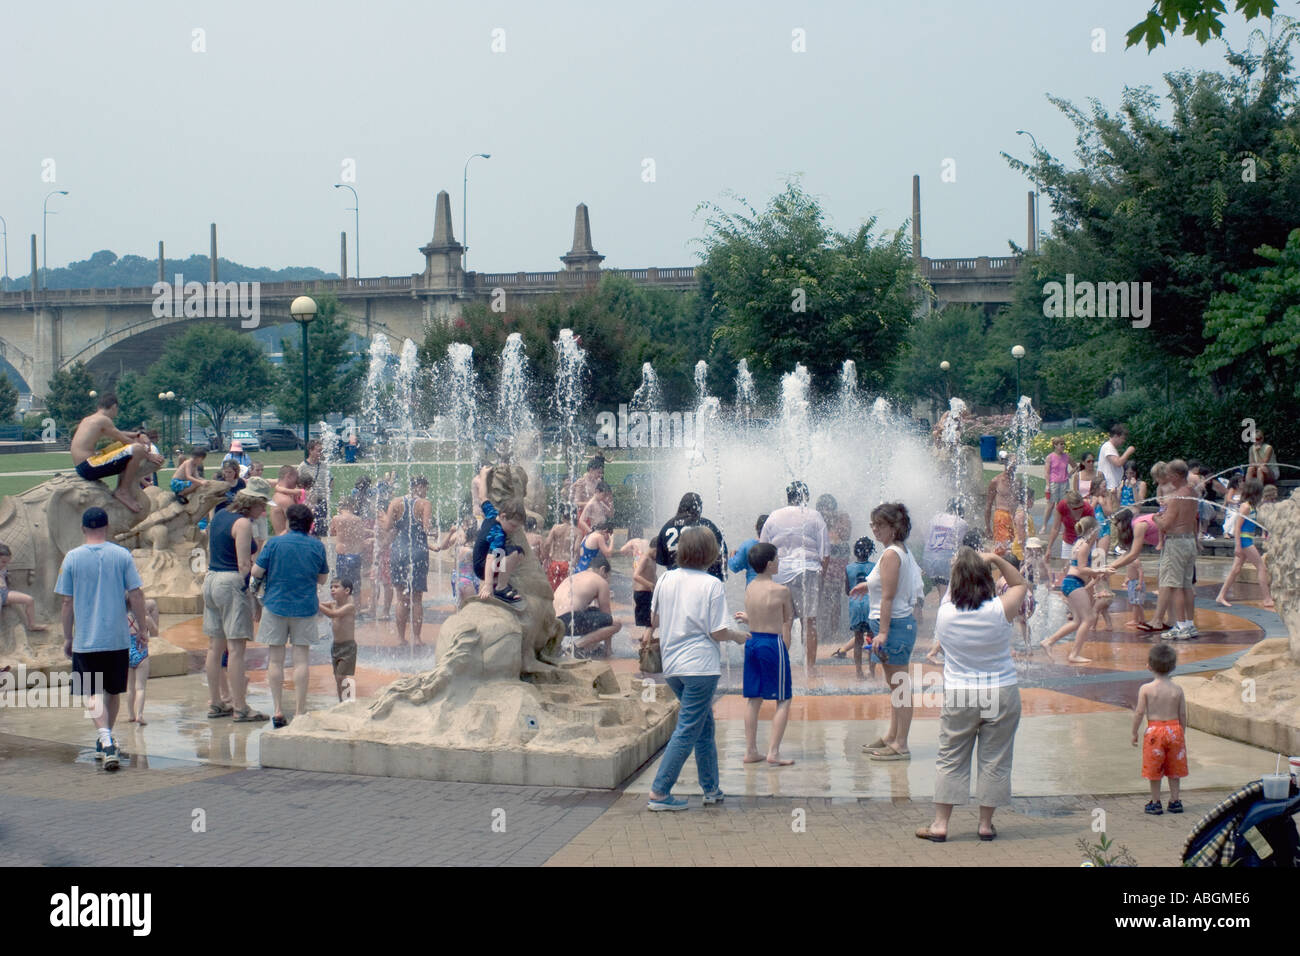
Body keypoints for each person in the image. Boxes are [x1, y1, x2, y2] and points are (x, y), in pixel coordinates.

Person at [916, 548, 1025, 843]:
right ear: (987, 579)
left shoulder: (946, 612)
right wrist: (995, 559)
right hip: (1000, 690)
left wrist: (962, 567)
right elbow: (1019, 584)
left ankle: (940, 825)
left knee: (951, 756)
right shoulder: (999, 610)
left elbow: (955, 588)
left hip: (961, 693)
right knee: (995, 758)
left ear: (956, 580)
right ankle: (986, 825)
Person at [645, 526, 749, 811]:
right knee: (688, 728)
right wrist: (739, 636)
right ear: (710, 554)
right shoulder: (711, 584)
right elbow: (718, 632)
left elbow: (653, 619)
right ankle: (659, 791)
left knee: (704, 727)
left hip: (673, 667)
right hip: (700, 667)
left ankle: (711, 788)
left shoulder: (666, 579)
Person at [56, 507, 148, 770]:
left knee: (92, 691)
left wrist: (67, 636)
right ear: (106, 527)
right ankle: (106, 738)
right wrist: (142, 629)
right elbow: (136, 594)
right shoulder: (121, 555)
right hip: (117, 638)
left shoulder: (71, 558)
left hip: (87, 639)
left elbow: (66, 601)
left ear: (83, 528)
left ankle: (105, 740)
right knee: (113, 691)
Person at [851, 502, 923, 759]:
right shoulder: (896, 551)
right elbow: (889, 585)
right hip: (894, 625)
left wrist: (882, 633)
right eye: (873, 525)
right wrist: (866, 587)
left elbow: (890, 597)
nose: (874, 530)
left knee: (900, 687)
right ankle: (892, 736)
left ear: (894, 528)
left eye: (879, 525)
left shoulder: (892, 554)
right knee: (895, 686)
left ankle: (900, 744)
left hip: (894, 627)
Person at [252, 503, 330, 727]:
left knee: (275, 659)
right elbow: (322, 579)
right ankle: (300, 710)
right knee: (301, 660)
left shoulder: (274, 543)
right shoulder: (316, 546)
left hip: (275, 604)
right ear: (309, 525)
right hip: (305, 607)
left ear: (288, 522)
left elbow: (256, 572)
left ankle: (277, 709)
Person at [203, 478, 273, 723]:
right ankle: (240, 707)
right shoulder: (242, 523)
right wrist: (255, 596)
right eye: (262, 505)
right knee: (236, 649)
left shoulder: (220, 514)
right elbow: (245, 565)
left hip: (211, 579)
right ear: (253, 502)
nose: (263, 511)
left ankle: (216, 702)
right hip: (231, 583)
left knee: (214, 646)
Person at [734, 543, 795, 766]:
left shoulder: (750, 587)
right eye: (777, 558)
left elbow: (757, 617)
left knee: (753, 698)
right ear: (770, 564)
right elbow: (787, 621)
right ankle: (774, 752)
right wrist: (785, 648)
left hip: (752, 642)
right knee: (784, 698)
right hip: (772, 644)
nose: (779, 561)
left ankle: (750, 750)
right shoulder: (781, 591)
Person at [759, 481, 828, 671]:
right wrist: (821, 579)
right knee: (810, 621)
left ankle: (782, 664)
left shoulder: (773, 517)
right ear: (806, 497)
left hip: (781, 574)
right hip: (808, 571)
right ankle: (811, 668)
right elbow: (825, 553)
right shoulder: (815, 516)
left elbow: (762, 548)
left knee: (785, 621)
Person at [70, 393, 164, 513]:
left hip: (83, 465)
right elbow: (124, 439)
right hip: (89, 465)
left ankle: (124, 487)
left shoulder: (91, 419)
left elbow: (118, 433)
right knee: (137, 449)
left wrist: (138, 435)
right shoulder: (103, 420)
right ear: (114, 407)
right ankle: (123, 491)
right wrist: (149, 455)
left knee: (133, 445)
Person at [1132, 643, 1188, 815]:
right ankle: (1175, 801)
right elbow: (1183, 714)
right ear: (1173, 667)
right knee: (1174, 768)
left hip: (1154, 731)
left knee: (1154, 768)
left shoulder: (1146, 689)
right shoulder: (1177, 689)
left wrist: (1134, 732)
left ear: (1149, 666)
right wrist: (1181, 732)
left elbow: (1140, 712)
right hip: (1174, 729)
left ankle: (1156, 802)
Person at [1041, 516, 1103, 663]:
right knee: (1088, 619)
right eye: (1097, 532)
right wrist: (1101, 571)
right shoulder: (1085, 546)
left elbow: (1076, 566)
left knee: (1077, 621)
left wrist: (1095, 576)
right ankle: (1074, 654)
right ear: (1092, 531)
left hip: (1070, 582)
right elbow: (1081, 569)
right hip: (1074, 583)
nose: (1098, 535)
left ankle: (1049, 641)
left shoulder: (1078, 543)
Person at [383, 475, 434, 644]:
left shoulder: (395, 503)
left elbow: (387, 527)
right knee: (417, 598)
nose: (426, 491)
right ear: (420, 486)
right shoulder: (424, 504)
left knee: (400, 597)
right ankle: (417, 638)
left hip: (399, 551)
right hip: (418, 552)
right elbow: (427, 528)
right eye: (425, 488)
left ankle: (400, 637)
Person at [1154, 460, 1199, 640]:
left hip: (1176, 543)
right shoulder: (1192, 492)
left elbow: (1165, 524)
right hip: (1189, 541)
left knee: (1175, 586)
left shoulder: (1176, 497)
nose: (1167, 477)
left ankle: (1180, 626)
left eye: (1169, 474)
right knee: (1187, 585)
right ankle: (1189, 624)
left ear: (1176, 476)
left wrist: (1156, 518)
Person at [1215, 478, 1275, 609]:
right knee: (1261, 567)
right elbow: (1237, 527)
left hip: (1247, 540)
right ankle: (1267, 599)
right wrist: (1237, 545)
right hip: (1244, 541)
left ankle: (1221, 595)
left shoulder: (1252, 506)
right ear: (1256, 492)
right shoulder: (1246, 506)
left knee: (1236, 569)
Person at [552, 554, 621, 657]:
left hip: (554, 622)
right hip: (569, 620)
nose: (607, 581)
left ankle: (587, 647)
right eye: (607, 576)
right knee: (616, 623)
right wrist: (608, 649)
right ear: (602, 570)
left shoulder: (574, 577)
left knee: (594, 612)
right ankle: (576, 646)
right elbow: (607, 617)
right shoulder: (600, 581)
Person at [655, 492, 727, 581]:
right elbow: (723, 552)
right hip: (703, 581)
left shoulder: (666, 527)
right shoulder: (705, 525)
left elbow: (662, 559)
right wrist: (722, 575)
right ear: (698, 507)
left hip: (676, 581)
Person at [1107, 509, 1160, 630]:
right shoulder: (1135, 526)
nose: (1116, 527)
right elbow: (1128, 553)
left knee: (1168, 587)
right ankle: (1163, 620)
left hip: (1173, 545)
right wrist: (1109, 567)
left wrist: (1111, 567)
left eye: (1117, 524)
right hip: (1167, 547)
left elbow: (1133, 554)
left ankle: (1162, 620)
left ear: (1123, 521)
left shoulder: (1138, 525)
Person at [836, 537, 877, 679]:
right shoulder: (875, 567)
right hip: (871, 606)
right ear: (870, 551)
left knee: (858, 640)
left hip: (855, 606)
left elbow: (847, 590)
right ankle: (871, 672)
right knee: (871, 639)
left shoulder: (849, 568)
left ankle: (859, 672)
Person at [473, 497, 526, 605]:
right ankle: (500, 588)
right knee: (514, 552)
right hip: (483, 566)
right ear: (503, 516)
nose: (514, 529)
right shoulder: (498, 533)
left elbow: (484, 500)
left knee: (519, 552)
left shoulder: (492, 513)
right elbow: (490, 557)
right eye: (513, 525)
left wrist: (481, 481)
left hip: (480, 564)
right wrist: (487, 585)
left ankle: (497, 581)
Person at [817, 493, 853, 650]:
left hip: (837, 564)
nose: (826, 512)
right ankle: (822, 631)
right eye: (822, 509)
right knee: (823, 598)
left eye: (828, 508)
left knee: (836, 597)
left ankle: (834, 630)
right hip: (825, 563)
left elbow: (845, 536)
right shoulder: (817, 519)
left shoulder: (842, 518)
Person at [318, 579, 358, 701]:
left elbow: (333, 614)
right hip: (336, 646)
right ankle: (342, 701)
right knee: (337, 677)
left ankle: (350, 700)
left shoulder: (350, 607)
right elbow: (322, 606)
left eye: (336, 587)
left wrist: (316, 603)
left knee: (342, 676)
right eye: (331, 587)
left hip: (348, 647)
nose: (332, 589)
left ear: (347, 590)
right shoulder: (333, 604)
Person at [0, 543, 48, 633]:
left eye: (6, 562)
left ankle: (32, 625)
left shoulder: (3, 569)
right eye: (3, 562)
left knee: (29, 600)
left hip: (4, 593)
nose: (5, 564)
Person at [331, 497, 371, 600]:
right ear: (352, 506)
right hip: (355, 555)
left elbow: (332, 532)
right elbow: (360, 536)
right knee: (356, 584)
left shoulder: (336, 518)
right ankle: (356, 610)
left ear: (341, 507)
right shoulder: (358, 519)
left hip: (342, 555)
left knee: (341, 584)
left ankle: (342, 608)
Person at [125, 595, 157, 724]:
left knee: (130, 688)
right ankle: (140, 715)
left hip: (126, 653)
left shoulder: (122, 619)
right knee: (141, 688)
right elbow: (155, 633)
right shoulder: (145, 619)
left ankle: (130, 714)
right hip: (141, 653)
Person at [922, 499, 969, 585]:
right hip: (946, 563)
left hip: (928, 560)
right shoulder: (962, 523)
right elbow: (960, 546)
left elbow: (926, 538)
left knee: (941, 588)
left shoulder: (935, 518)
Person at [1045, 489, 1091, 563]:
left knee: (1083, 569)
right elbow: (1055, 528)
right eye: (1075, 509)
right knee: (1066, 570)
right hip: (1068, 541)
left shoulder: (1088, 509)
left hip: (1085, 541)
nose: (1079, 510)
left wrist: (1086, 548)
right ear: (1068, 506)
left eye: (1080, 507)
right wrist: (1049, 548)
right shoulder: (1062, 506)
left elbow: (1093, 532)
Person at [298, 439, 332, 538]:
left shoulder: (324, 465)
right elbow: (298, 484)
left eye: (321, 450)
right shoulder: (302, 467)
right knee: (309, 529)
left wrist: (329, 492)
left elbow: (331, 479)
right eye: (318, 450)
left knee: (321, 529)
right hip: (309, 501)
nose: (320, 453)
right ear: (310, 450)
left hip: (322, 501)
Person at [541, 506, 579, 591]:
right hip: (567, 564)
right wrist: (575, 563)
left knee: (552, 590)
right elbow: (576, 549)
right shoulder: (577, 531)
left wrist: (546, 557)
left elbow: (547, 544)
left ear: (562, 517)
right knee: (566, 591)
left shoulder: (555, 528)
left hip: (554, 563)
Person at [1099, 424, 1136, 511]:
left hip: (1113, 487)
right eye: (1122, 438)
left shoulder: (1110, 447)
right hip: (1110, 487)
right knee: (1114, 513)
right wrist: (1128, 451)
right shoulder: (1108, 447)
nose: (1123, 441)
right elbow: (1118, 463)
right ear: (1116, 436)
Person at [984, 460, 1018, 552]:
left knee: (1015, 549)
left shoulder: (1018, 482)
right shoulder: (996, 481)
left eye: (1015, 465)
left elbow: (1020, 503)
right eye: (1012, 465)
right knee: (1002, 549)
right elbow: (988, 504)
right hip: (1001, 517)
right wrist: (987, 527)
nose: (1014, 467)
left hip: (1014, 518)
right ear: (1006, 465)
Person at [631, 536, 659, 649]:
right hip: (642, 593)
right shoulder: (645, 558)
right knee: (651, 623)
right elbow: (636, 576)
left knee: (652, 621)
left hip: (647, 593)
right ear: (655, 549)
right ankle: (645, 649)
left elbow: (653, 575)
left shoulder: (652, 559)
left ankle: (646, 639)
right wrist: (650, 584)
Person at [1043, 437, 1074, 533]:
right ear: (1055, 445)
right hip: (1054, 483)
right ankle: (1044, 525)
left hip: (1064, 483)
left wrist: (1070, 474)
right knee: (1050, 505)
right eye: (1061, 444)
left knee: (1062, 505)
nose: (1063, 446)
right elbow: (1047, 472)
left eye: (1063, 444)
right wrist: (1047, 485)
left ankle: (1061, 526)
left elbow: (1076, 466)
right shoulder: (1050, 457)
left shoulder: (1066, 456)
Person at [727, 514, 769, 585]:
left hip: (753, 586)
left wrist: (732, 556)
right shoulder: (775, 546)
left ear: (755, 526)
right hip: (773, 587)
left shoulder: (748, 545)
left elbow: (735, 566)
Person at [270, 465, 299, 535]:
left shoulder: (277, 494)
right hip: (288, 540)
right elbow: (297, 524)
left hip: (280, 538)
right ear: (288, 476)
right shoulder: (285, 500)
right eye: (297, 477)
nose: (298, 481)